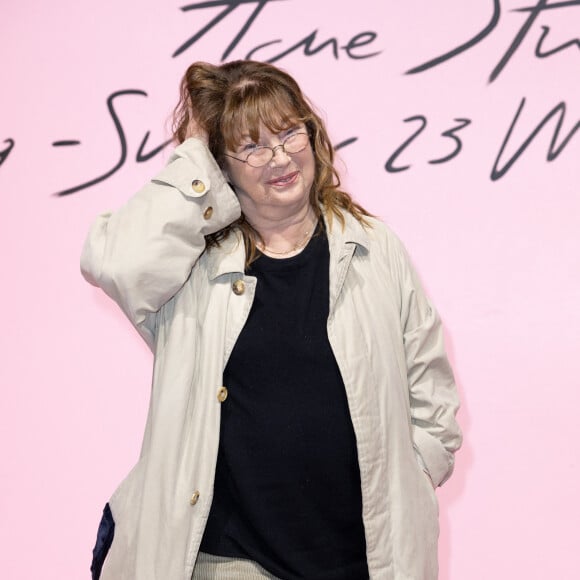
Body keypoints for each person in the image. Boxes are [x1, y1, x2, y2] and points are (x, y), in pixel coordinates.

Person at [82, 60, 462, 580]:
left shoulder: (373, 246)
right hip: (230, 560)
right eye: (253, 145)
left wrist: (414, 473)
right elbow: (117, 264)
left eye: (289, 133)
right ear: (221, 166)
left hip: (366, 558)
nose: (280, 156)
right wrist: (194, 152)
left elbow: (429, 383)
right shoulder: (191, 262)